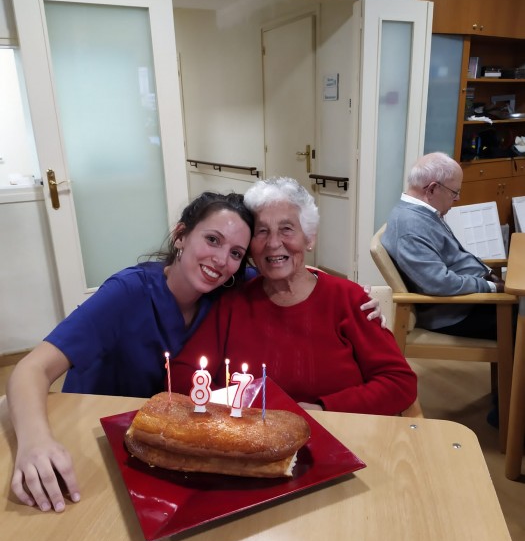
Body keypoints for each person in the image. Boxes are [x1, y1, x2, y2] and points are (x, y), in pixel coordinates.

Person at [7, 189, 384, 513]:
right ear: (181, 235)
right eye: (212, 240)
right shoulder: (126, 293)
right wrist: (35, 441)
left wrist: (356, 297)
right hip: (97, 435)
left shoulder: (226, 288)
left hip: (168, 444)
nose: (221, 260)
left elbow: (294, 273)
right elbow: (31, 369)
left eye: (236, 252)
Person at [170, 177, 417, 414]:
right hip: (248, 435)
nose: (273, 243)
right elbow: (183, 373)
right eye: (261, 231)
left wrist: (322, 409)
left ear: (309, 238)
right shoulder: (233, 301)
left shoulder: (350, 299)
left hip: (336, 432)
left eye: (286, 229)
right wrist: (237, 408)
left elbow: (399, 382)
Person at [381, 151, 505, 339]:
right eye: (454, 192)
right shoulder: (410, 227)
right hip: (455, 312)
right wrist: (490, 287)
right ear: (432, 189)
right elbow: (438, 283)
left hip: (465, 299)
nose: (457, 198)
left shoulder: (423, 213)